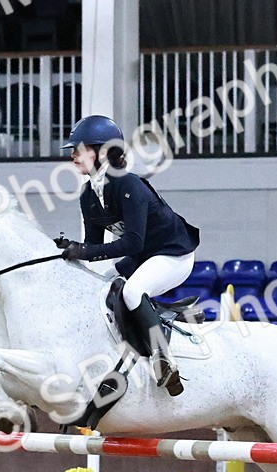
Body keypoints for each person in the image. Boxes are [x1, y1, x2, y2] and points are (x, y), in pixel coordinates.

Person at [54, 114, 199, 396]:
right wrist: (72, 249)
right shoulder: (88, 195)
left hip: (173, 254)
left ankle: (164, 359)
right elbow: (93, 247)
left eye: (79, 149)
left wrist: (84, 250)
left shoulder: (129, 184)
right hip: (142, 257)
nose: (72, 155)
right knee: (100, 288)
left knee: (133, 291)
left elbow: (132, 242)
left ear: (102, 152)